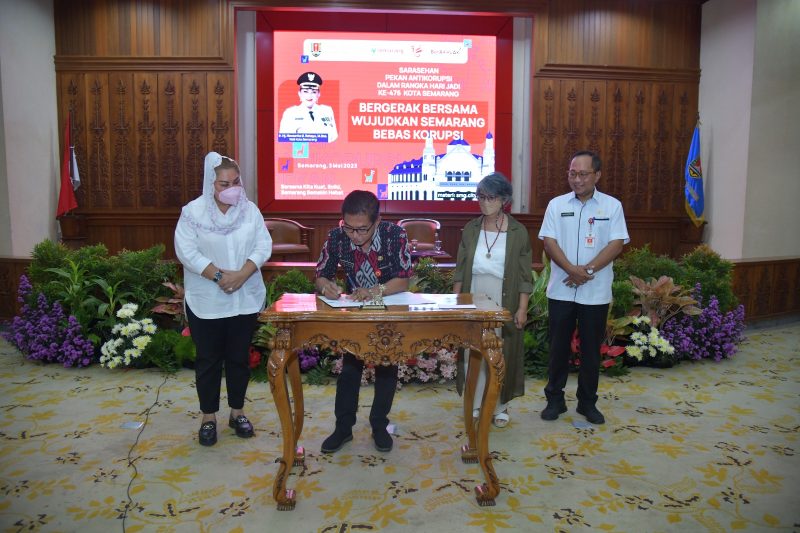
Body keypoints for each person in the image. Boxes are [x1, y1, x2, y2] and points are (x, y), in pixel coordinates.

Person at [174, 151, 272, 446]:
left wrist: (242, 274)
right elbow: (186, 251)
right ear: (210, 184)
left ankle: (237, 412)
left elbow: (263, 245)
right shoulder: (192, 213)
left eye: (235, 182)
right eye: (223, 184)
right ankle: (208, 417)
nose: (232, 189)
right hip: (207, 300)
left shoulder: (250, 211)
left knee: (239, 358)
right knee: (208, 360)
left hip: (244, 298)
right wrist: (219, 276)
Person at [315, 190, 413, 453]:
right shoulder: (337, 237)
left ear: (377, 221)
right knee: (349, 369)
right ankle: (343, 428)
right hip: (355, 311)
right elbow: (321, 274)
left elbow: (403, 279)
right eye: (349, 228)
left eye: (362, 229)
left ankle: (379, 425)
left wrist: (374, 292)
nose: (355, 236)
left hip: (388, 308)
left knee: (386, 367)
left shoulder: (395, 235)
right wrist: (326, 287)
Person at [538, 150, 629, 425]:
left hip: (595, 291)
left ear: (597, 175)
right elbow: (549, 242)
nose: (577, 179)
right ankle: (554, 400)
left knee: (591, 351)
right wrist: (570, 269)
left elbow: (616, 244)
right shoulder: (556, 205)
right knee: (558, 348)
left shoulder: (612, 206)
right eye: (572, 174)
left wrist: (586, 270)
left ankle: (587, 403)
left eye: (583, 174)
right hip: (561, 289)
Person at [453, 172, 532, 428]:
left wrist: (522, 308)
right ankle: (475, 403)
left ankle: (500, 406)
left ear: (504, 200)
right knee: (472, 351)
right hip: (474, 292)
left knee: (500, 352)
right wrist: (456, 302)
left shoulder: (518, 231)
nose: (484, 203)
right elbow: (460, 269)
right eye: (481, 197)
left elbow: (524, 275)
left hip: (503, 295)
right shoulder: (471, 228)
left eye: (491, 198)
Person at [278, 71, 338, 142]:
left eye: (314, 92)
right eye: (305, 91)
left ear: (318, 94)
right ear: (299, 93)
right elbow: (284, 141)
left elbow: (334, 137)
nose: (309, 96)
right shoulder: (290, 113)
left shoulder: (327, 111)